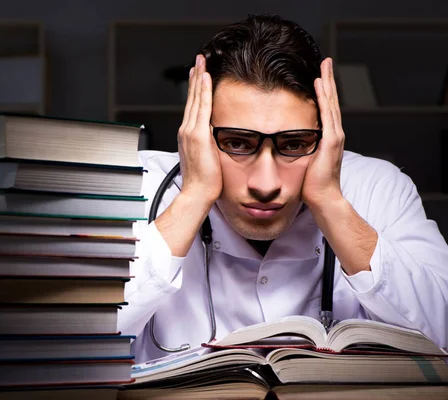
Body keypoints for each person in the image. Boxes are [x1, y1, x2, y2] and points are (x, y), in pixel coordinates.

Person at [118, 14, 448, 363]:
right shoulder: (139, 183)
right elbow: (68, 346)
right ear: (197, 132)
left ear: (326, 135)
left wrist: (331, 203)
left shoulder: (378, 188)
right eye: (237, 143)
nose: (266, 184)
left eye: (293, 144)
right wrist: (194, 196)